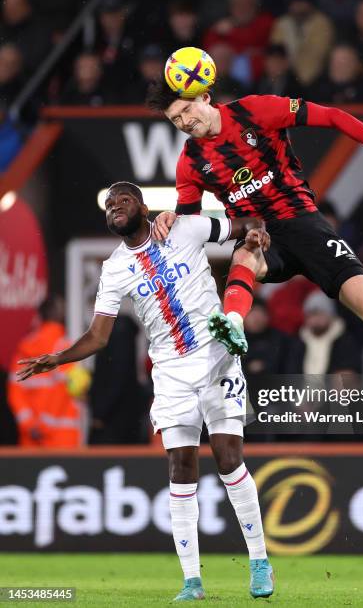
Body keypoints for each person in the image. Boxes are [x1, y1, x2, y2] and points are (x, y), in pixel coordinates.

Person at [148, 77, 363, 426]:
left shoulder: (255, 110)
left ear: (205, 96)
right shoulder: (190, 162)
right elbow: (190, 222)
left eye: (185, 110)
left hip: (306, 227)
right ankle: (234, 326)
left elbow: (332, 116)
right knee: (244, 253)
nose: (184, 122)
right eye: (175, 119)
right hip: (262, 235)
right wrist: (173, 219)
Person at [15, 181, 274, 601]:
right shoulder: (115, 268)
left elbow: (244, 225)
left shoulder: (187, 228)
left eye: (123, 200)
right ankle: (192, 581)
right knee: (180, 467)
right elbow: (99, 337)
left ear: (142, 206)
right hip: (170, 370)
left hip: (217, 353)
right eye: (109, 205)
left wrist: (256, 231)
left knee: (229, 458)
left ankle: (260, 562)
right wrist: (57, 357)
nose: (115, 207)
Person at [8, 295, 88, 447]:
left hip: (31, 439)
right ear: (61, 316)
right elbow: (77, 388)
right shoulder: (65, 349)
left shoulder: (23, 350)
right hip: (62, 440)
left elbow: (15, 393)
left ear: (40, 317)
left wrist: (30, 425)